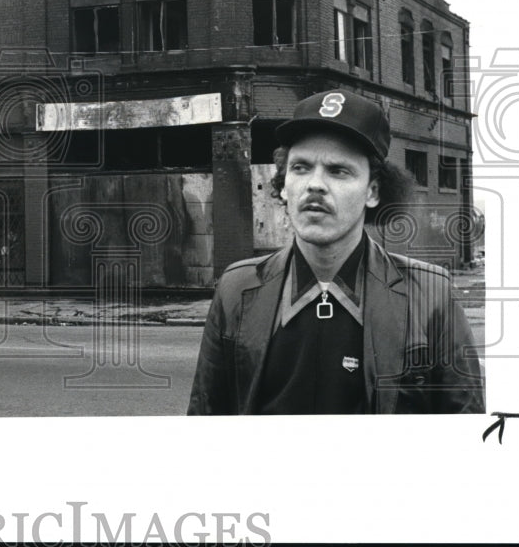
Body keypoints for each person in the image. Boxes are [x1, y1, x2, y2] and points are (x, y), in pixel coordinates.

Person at [188, 89, 484, 414]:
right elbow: (205, 420)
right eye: (300, 167)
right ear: (284, 185)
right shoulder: (236, 289)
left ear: (373, 191)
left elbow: (465, 434)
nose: (315, 184)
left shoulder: (430, 296)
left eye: (338, 170)